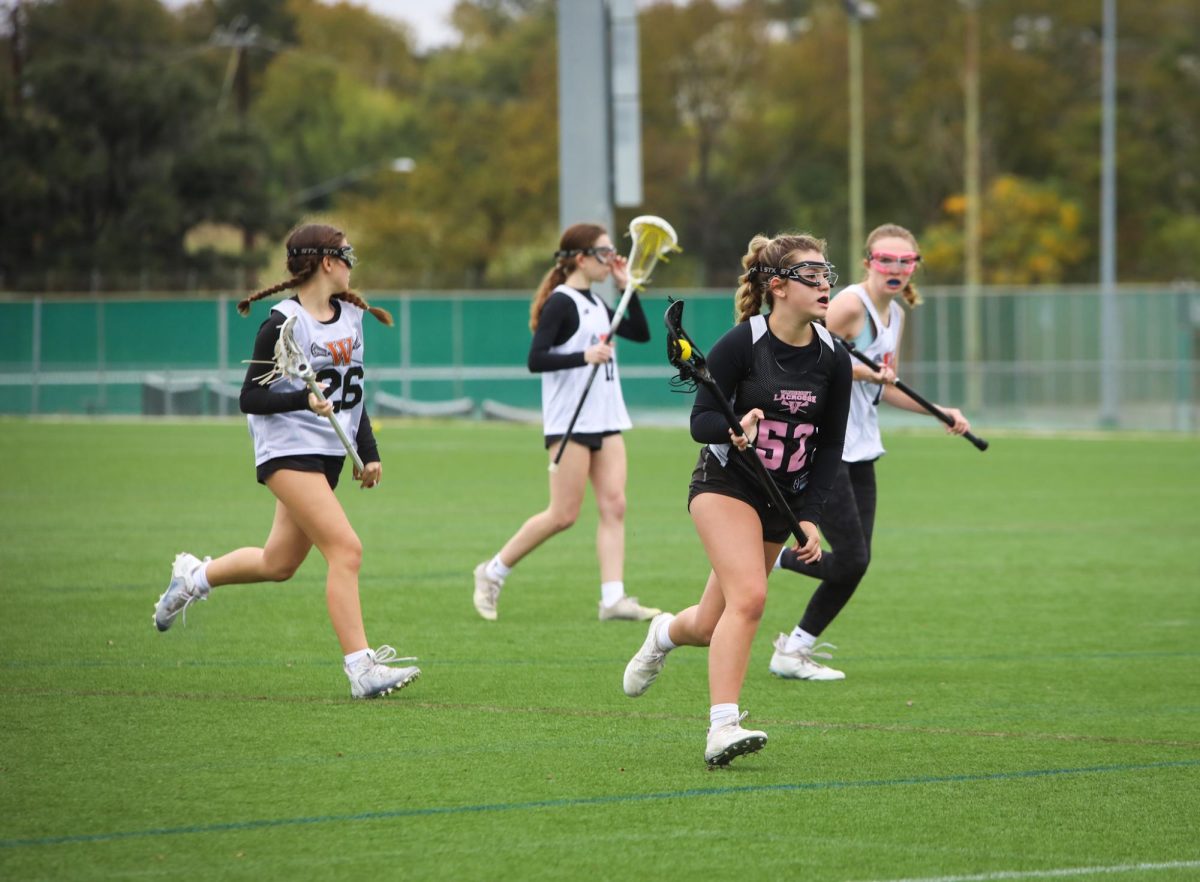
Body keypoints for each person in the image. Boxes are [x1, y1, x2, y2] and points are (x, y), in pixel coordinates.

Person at [152, 223, 420, 700]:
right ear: (326, 262)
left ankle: (194, 577)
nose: (351, 263)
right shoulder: (280, 323)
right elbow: (250, 398)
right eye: (346, 254)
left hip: (328, 455)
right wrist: (301, 399)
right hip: (287, 452)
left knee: (278, 563)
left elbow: (352, 394)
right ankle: (361, 668)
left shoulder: (351, 318)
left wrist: (368, 452)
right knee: (346, 550)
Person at [622, 232, 852, 767]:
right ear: (778, 287)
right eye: (811, 276)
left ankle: (662, 635)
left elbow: (832, 445)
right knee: (750, 598)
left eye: (826, 274)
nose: (824, 285)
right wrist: (732, 429)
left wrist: (811, 516)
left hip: (783, 497)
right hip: (725, 486)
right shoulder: (741, 344)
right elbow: (701, 419)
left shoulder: (833, 358)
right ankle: (722, 726)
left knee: (708, 624)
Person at [767, 223, 971, 682]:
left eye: (905, 261)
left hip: (861, 446)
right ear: (868, 263)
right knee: (853, 559)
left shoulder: (894, 315)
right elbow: (804, 359)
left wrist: (937, 411)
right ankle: (771, 558)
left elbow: (885, 387)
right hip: (826, 444)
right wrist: (867, 375)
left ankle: (794, 649)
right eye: (887, 260)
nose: (896, 269)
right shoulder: (847, 306)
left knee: (857, 561)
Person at [473, 222, 660, 623]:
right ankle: (492, 571)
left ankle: (613, 598)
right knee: (563, 514)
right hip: (570, 423)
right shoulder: (561, 303)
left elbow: (641, 333)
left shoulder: (596, 302)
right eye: (604, 254)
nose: (611, 260)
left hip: (606, 417)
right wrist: (584, 357)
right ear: (581, 258)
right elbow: (535, 358)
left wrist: (631, 287)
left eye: (613, 253)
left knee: (615, 505)